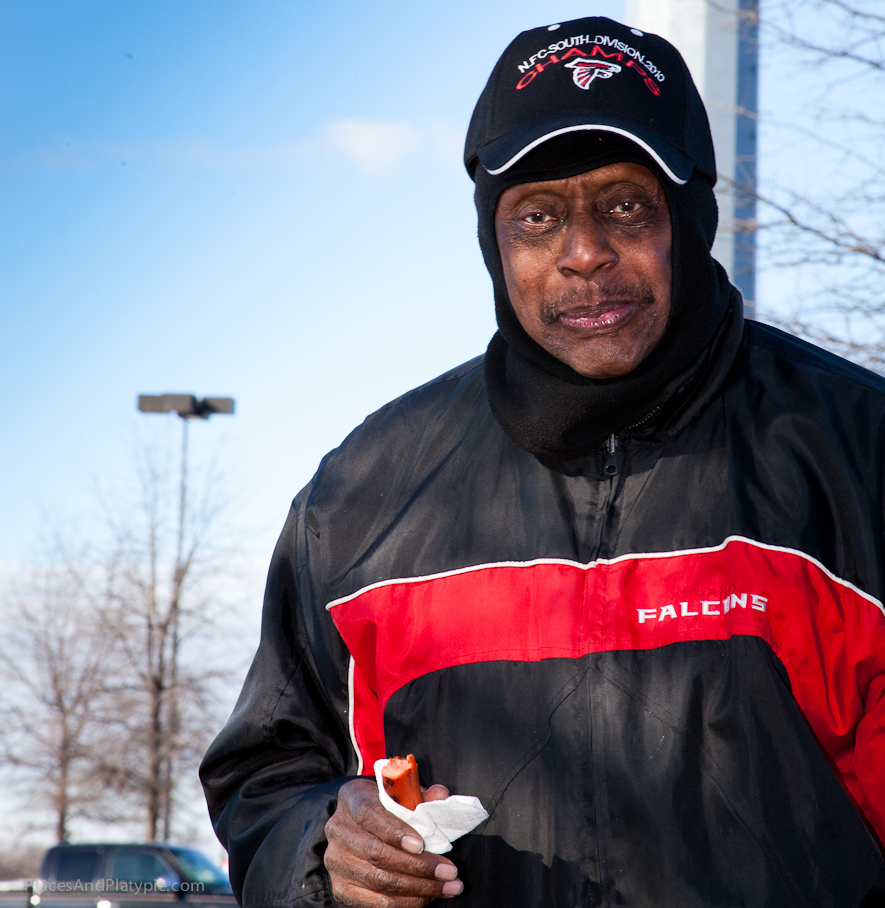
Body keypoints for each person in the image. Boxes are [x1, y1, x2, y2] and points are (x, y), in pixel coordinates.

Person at [200, 15, 885, 907]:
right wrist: (323, 847)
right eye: (537, 216)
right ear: (493, 240)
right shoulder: (361, 495)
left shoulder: (855, 450)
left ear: (690, 216)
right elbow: (266, 777)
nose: (584, 252)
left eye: (624, 204)